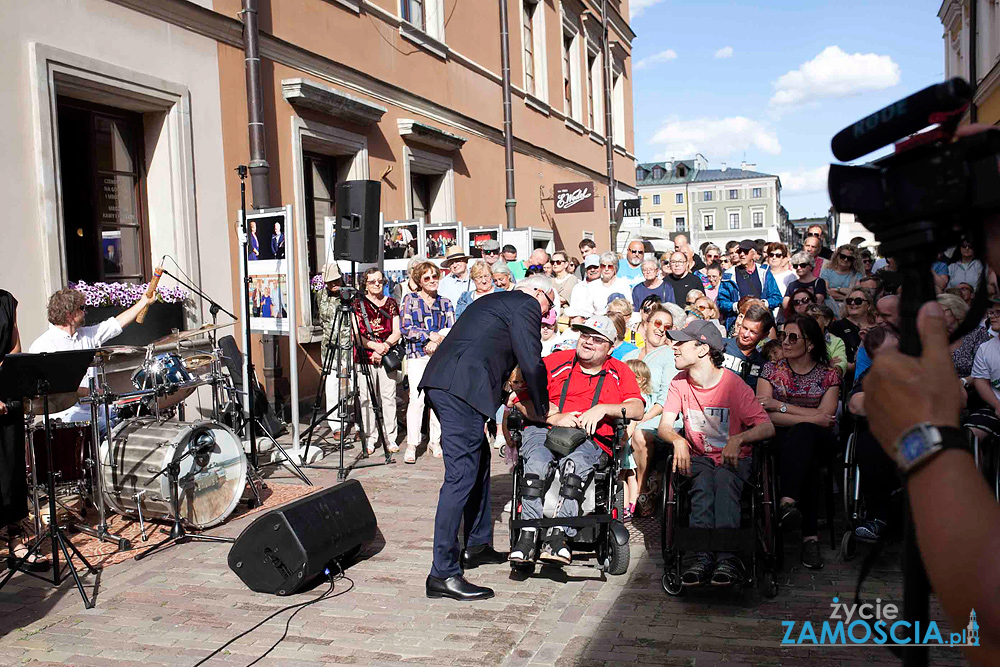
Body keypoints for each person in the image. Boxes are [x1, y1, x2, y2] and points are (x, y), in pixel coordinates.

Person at [419, 276, 552, 601]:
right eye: (551, 304)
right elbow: (531, 360)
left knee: (478, 463)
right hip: (458, 388)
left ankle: (476, 544)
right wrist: (542, 408)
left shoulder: (496, 301)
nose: (548, 314)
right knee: (460, 477)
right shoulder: (526, 303)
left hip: (453, 385)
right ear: (539, 292)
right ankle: (442, 573)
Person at [507, 315, 644, 565]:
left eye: (597, 339)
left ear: (611, 347)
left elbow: (636, 408)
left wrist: (604, 408)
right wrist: (554, 417)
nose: (588, 342)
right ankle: (527, 535)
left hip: (590, 437)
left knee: (575, 467)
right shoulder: (556, 362)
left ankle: (559, 535)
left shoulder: (619, 371)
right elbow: (519, 400)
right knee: (535, 464)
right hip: (545, 428)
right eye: (584, 336)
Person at [657, 320, 775, 586]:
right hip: (698, 458)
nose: (674, 348)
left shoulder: (733, 385)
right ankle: (701, 556)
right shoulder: (679, 383)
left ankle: (727, 558)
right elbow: (665, 427)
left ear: (702, 350)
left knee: (723, 480)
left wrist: (740, 438)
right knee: (700, 481)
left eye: (681, 343)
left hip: (735, 459)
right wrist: (676, 440)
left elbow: (766, 427)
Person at [756, 316, 840, 569]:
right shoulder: (771, 370)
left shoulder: (829, 375)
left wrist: (781, 407)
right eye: (783, 336)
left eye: (793, 337)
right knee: (806, 452)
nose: (786, 342)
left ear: (811, 344)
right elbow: (763, 413)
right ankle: (810, 538)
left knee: (805, 436)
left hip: (820, 440)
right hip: (778, 439)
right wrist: (810, 416)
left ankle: (787, 503)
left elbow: (826, 421)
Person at [29, 286, 154, 433]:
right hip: (66, 417)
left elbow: (115, 324)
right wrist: (85, 391)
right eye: (81, 308)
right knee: (107, 429)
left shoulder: (85, 335)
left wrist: (143, 302)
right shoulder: (43, 345)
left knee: (136, 419)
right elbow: (48, 388)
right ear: (69, 314)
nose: (85, 312)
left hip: (96, 410)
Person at [0, 288, 47, 571]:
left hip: (7, 394)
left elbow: (14, 349)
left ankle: (16, 543)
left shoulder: (6, 300)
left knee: (12, 473)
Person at [621, 304, 679, 516]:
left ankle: (642, 487)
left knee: (636, 431)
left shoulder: (669, 355)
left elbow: (666, 398)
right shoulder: (630, 354)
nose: (661, 328)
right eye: (657, 323)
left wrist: (641, 417)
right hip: (629, 412)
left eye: (668, 326)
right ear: (645, 325)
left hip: (659, 414)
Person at [400, 261, 455, 464]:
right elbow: (406, 327)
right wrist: (428, 336)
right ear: (419, 281)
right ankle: (412, 443)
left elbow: (451, 329)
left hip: (440, 356)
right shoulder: (410, 300)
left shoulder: (446, 303)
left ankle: (435, 441)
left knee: (438, 400)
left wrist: (437, 341)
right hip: (417, 355)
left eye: (435, 276)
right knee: (417, 399)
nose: (432, 281)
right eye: (427, 278)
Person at [354, 268, 402, 454]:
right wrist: (375, 347)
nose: (377, 284)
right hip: (365, 357)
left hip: (386, 354)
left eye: (380, 281)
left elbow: (397, 331)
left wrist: (385, 347)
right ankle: (370, 437)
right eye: (372, 281)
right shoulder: (358, 304)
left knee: (388, 397)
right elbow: (355, 335)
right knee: (366, 398)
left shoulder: (390, 303)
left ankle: (391, 437)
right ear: (365, 283)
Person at [717, 240, 782, 331]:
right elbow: (721, 302)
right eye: (740, 251)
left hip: (761, 323)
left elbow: (777, 297)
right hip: (738, 325)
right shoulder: (729, 275)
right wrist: (737, 306)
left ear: (754, 253)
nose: (742, 254)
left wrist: (763, 304)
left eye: (746, 251)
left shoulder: (764, 272)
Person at [317, 263, 351, 436]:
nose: (333, 285)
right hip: (328, 346)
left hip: (347, 345)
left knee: (349, 385)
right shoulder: (321, 295)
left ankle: (353, 419)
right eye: (330, 282)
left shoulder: (349, 295)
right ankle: (336, 424)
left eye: (335, 280)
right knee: (331, 385)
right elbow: (322, 319)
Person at [937, 292, 992, 385]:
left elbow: (985, 370)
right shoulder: (934, 335)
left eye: (940, 311)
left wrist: (963, 382)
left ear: (955, 310)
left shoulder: (977, 333)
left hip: (970, 390)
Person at [721, 303, 774, 391]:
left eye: (753, 332)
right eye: (745, 328)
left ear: (764, 335)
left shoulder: (763, 365)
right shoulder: (720, 345)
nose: (746, 335)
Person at [827, 287, 876, 379]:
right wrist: (848, 366)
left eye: (858, 301)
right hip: (847, 378)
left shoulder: (878, 327)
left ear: (869, 305)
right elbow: (833, 357)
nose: (853, 303)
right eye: (849, 301)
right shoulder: (836, 326)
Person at [820, 244, 863, 318]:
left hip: (850, 312)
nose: (845, 260)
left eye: (849, 258)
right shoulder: (826, 272)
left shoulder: (857, 275)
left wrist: (838, 289)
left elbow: (856, 295)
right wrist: (847, 295)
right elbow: (827, 293)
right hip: (830, 311)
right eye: (843, 256)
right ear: (837, 256)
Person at [805, 304, 847, 377]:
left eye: (815, 317)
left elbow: (840, 366)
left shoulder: (836, 342)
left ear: (826, 321)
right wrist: (827, 364)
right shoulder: (797, 338)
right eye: (807, 317)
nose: (809, 321)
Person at [567, 255, 602, 321]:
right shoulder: (578, 287)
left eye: (595, 267)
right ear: (585, 270)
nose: (592, 270)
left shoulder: (605, 286)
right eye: (589, 267)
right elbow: (573, 308)